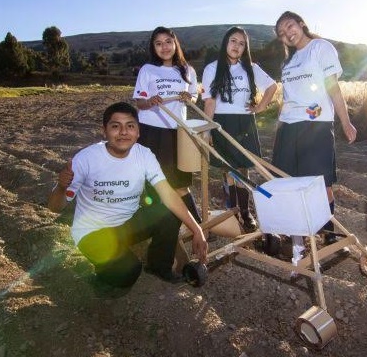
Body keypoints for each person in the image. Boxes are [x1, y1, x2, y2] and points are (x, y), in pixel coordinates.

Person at [48, 102, 208, 294]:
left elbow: (169, 195)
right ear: (104, 131)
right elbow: (54, 207)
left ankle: (158, 266)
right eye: (116, 126)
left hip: (128, 223)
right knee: (128, 272)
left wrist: (197, 229)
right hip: (93, 232)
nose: (123, 132)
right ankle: (100, 273)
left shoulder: (144, 155)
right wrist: (61, 187)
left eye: (130, 126)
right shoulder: (86, 159)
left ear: (138, 132)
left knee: (168, 212)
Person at [273, 11, 357, 245]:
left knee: (321, 183)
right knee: (290, 181)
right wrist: (280, 124)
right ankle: (297, 235)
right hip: (289, 126)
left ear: (301, 24)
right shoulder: (287, 62)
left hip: (316, 124)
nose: (287, 34)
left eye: (290, 26)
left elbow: (333, 88)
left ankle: (329, 232)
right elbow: (287, 98)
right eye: (281, 33)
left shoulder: (321, 48)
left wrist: (345, 121)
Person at [202, 26, 277, 231]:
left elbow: (272, 87)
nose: (237, 46)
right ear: (226, 42)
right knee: (227, 168)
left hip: (244, 122)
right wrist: (207, 130)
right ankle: (232, 211)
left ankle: (245, 212)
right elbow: (209, 102)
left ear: (245, 48)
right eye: (233, 41)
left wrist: (260, 107)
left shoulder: (250, 68)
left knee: (242, 168)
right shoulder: (212, 68)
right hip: (221, 121)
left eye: (241, 43)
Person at [133, 26, 203, 225]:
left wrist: (189, 97)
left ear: (175, 44)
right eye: (158, 43)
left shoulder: (187, 70)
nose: (164, 47)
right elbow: (139, 102)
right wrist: (151, 101)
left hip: (177, 131)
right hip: (151, 132)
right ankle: (159, 226)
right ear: (153, 47)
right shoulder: (147, 70)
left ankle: (196, 225)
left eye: (168, 42)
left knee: (180, 182)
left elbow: (194, 97)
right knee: (156, 183)